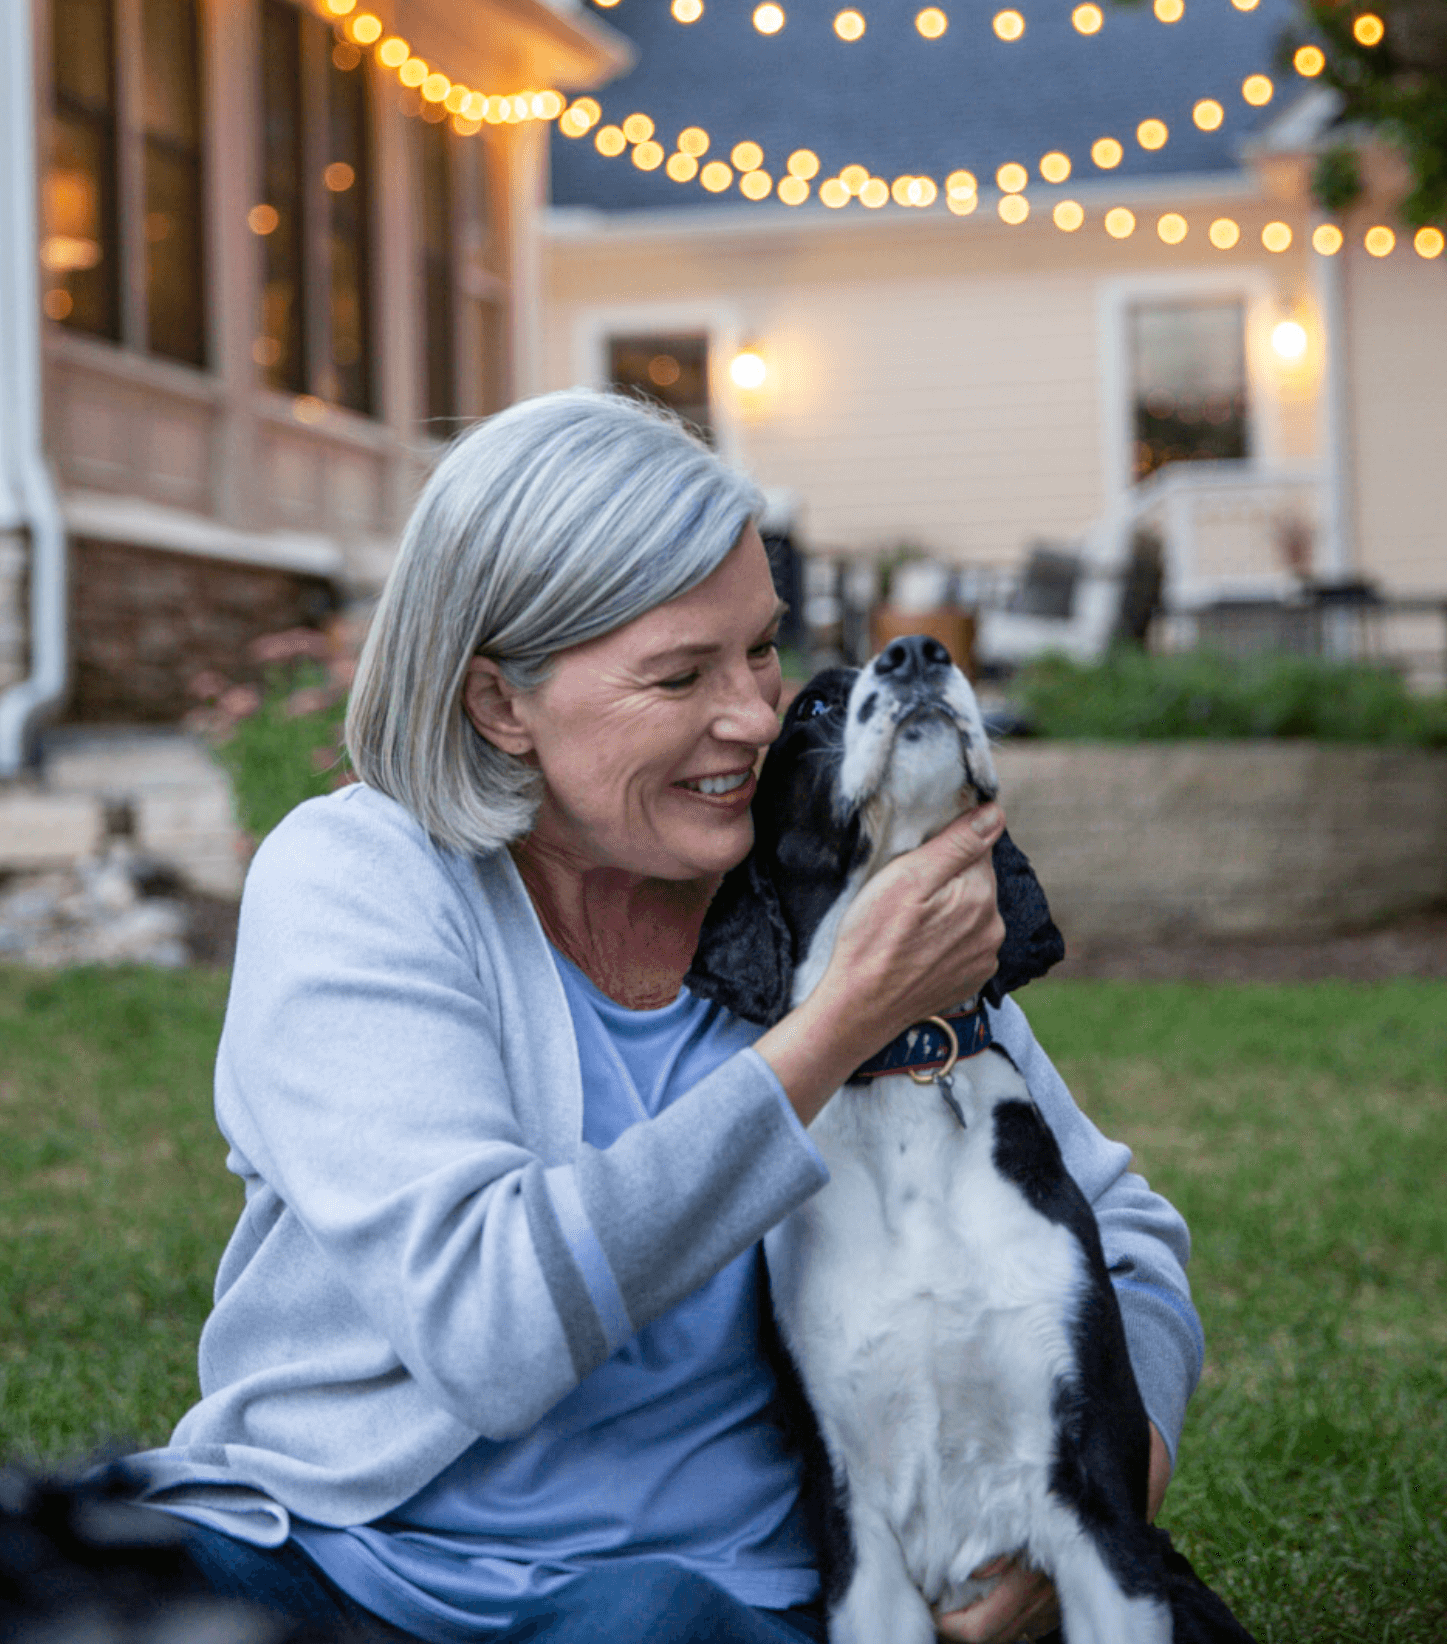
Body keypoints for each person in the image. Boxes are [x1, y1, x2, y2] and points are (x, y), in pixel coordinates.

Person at [130, 390, 1201, 1644]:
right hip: (335, 1562)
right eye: (680, 674)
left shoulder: (808, 894)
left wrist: (1096, 1491)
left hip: (704, 1597)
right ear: (499, 704)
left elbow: (1121, 1236)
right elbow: (491, 1328)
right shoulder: (360, 881)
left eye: (759, 649)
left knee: (646, 1621)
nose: (753, 716)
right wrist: (834, 1034)